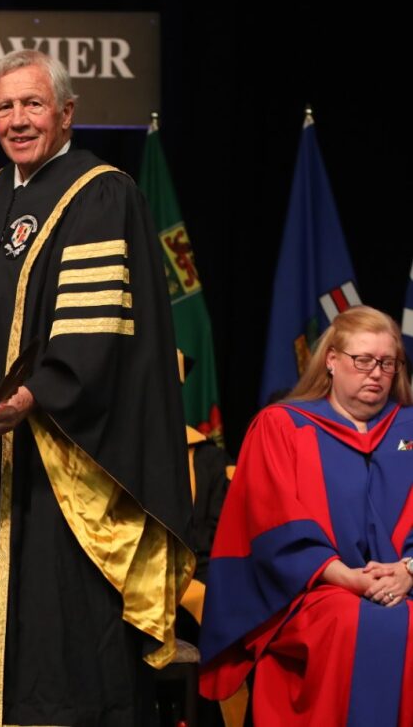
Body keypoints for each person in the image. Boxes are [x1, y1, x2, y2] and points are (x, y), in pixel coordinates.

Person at [0, 49, 194, 725]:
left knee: (62, 626)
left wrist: (29, 398)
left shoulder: (100, 192)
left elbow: (96, 328)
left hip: (66, 455)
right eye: (5, 107)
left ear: (66, 112)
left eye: (33, 104)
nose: (17, 120)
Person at [200, 306, 413, 725]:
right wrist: (346, 577)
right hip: (311, 590)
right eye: (363, 360)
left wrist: (408, 571)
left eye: (387, 363)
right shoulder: (282, 426)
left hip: (404, 584)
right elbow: (273, 525)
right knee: (351, 621)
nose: (376, 373)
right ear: (331, 360)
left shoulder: (409, 428)